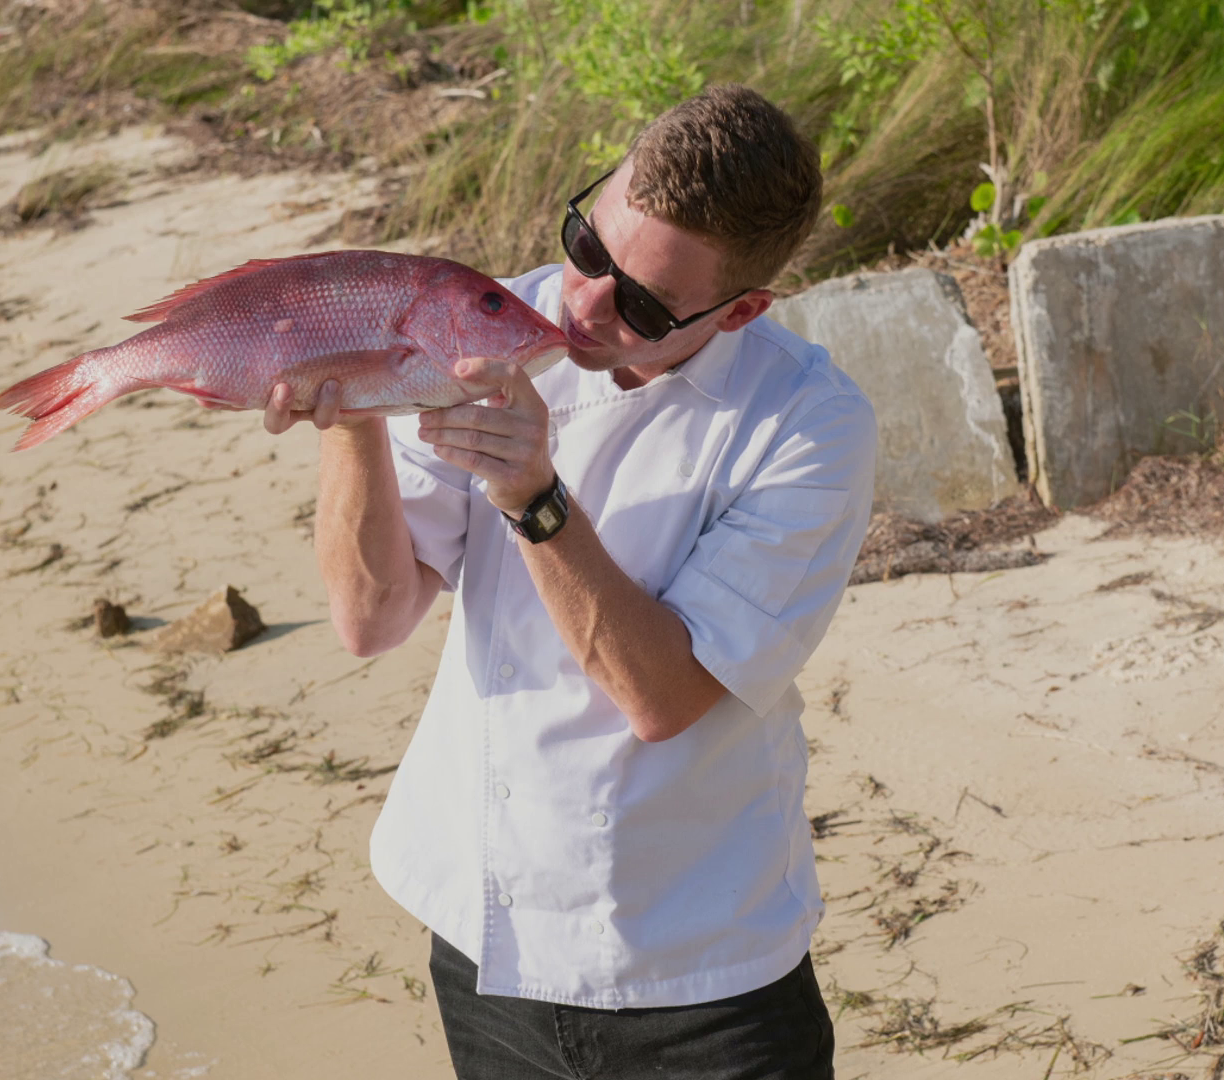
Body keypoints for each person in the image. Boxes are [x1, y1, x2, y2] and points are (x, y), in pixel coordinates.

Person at [264, 84, 876, 1079]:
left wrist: (533, 495)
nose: (581, 305)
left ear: (743, 310)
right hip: (486, 933)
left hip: (700, 976)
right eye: (589, 248)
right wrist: (358, 415)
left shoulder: (807, 424)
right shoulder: (480, 322)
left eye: (642, 305)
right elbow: (370, 619)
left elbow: (663, 696)